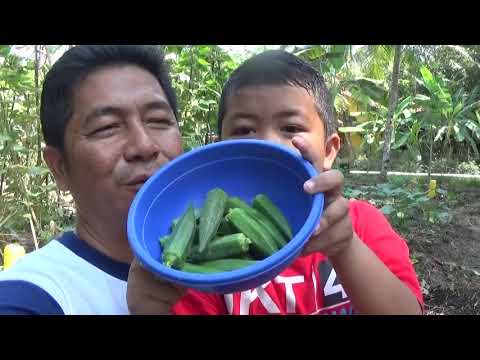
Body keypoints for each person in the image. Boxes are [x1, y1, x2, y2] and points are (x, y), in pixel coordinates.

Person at [128, 50, 424, 315]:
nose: (268, 143)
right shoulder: (200, 255)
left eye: (291, 127)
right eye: (244, 129)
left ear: (330, 149)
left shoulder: (361, 224)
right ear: (221, 149)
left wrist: (345, 247)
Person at [0, 45, 185, 314]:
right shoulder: (29, 299)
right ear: (59, 167)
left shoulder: (234, 273)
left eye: (157, 120)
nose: (144, 146)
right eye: (107, 127)